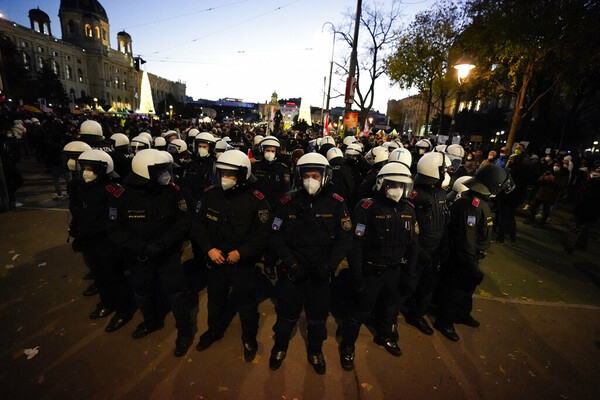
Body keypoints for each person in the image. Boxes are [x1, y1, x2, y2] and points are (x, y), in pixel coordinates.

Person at [268, 153, 352, 374]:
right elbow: (275, 235)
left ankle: (315, 349)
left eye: (315, 175)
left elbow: (345, 239)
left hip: (320, 271)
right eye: (306, 175)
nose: (310, 179)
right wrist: (291, 263)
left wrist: (330, 266)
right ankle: (280, 344)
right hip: (293, 269)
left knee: (317, 316)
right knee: (286, 312)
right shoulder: (288, 201)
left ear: (325, 176)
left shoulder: (337, 202)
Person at [106, 149, 195, 357]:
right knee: (142, 290)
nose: (166, 174)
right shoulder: (122, 196)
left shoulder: (172, 191)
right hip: (139, 256)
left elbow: (183, 221)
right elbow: (115, 229)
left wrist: (165, 243)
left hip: (168, 253)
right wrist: (142, 247)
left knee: (176, 292)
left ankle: (185, 331)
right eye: (161, 170)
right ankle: (151, 322)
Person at [192, 150, 272, 362]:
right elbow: (198, 225)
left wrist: (242, 253)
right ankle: (214, 331)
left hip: (242, 263)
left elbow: (263, 233)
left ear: (243, 174)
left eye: (231, 173)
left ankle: (249, 338)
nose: (225, 177)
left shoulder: (257, 200)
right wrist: (209, 249)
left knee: (246, 304)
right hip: (216, 259)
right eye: (222, 172)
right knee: (215, 301)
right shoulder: (210, 194)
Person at [339, 162, 419, 371]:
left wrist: (410, 274)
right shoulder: (367, 207)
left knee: (389, 307)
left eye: (402, 185)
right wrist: (357, 275)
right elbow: (355, 245)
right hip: (371, 271)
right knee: (360, 310)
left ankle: (385, 336)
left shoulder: (408, 208)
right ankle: (347, 345)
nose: (398, 190)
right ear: (381, 183)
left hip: (394, 270)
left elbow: (413, 245)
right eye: (393, 184)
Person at [435, 164, 514, 341]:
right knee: (454, 289)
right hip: (461, 258)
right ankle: (444, 321)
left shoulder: (481, 202)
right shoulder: (470, 206)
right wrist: (472, 266)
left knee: (466, 289)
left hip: (470, 257)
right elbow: (466, 241)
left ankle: (462, 313)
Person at [69, 149, 133, 332]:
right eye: (84, 167)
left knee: (115, 276)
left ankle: (123, 310)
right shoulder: (82, 188)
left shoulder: (112, 190)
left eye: (90, 168)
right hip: (89, 239)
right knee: (99, 274)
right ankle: (107, 302)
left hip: (107, 241)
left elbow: (118, 219)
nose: (86, 171)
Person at [403, 152, 451, 336]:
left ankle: (416, 314)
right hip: (418, 250)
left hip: (436, 249)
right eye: (443, 170)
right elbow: (408, 225)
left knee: (428, 286)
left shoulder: (441, 193)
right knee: (408, 284)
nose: (445, 173)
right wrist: (418, 249)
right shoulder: (415, 194)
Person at [525, 161, 568, 226]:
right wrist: (544, 179)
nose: (555, 166)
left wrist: (553, 181)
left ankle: (541, 223)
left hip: (550, 195)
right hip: (541, 193)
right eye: (555, 165)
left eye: (558, 165)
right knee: (534, 206)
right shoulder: (548, 172)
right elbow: (539, 181)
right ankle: (531, 218)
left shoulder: (562, 175)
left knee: (546, 210)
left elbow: (561, 186)